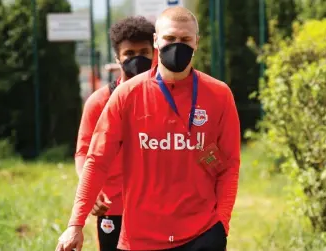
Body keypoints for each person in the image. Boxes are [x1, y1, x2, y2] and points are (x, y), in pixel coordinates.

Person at [56, 6, 241, 251]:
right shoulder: (126, 95)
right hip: (140, 240)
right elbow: (96, 159)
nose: (178, 45)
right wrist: (75, 223)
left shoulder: (219, 94)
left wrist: (221, 223)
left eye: (185, 39)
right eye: (169, 38)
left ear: (197, 42)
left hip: (202, 234)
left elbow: (228, 164)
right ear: (156, 41)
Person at [74, 16, 155, 251]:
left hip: (160, 207)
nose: (137, 58)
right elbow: (83, 151)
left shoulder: (168, 98)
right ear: (117, 58)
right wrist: (91, 190)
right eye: (129, 53)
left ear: (155, 52)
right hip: (114, 206)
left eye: (144, 51)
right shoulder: (99, 102)